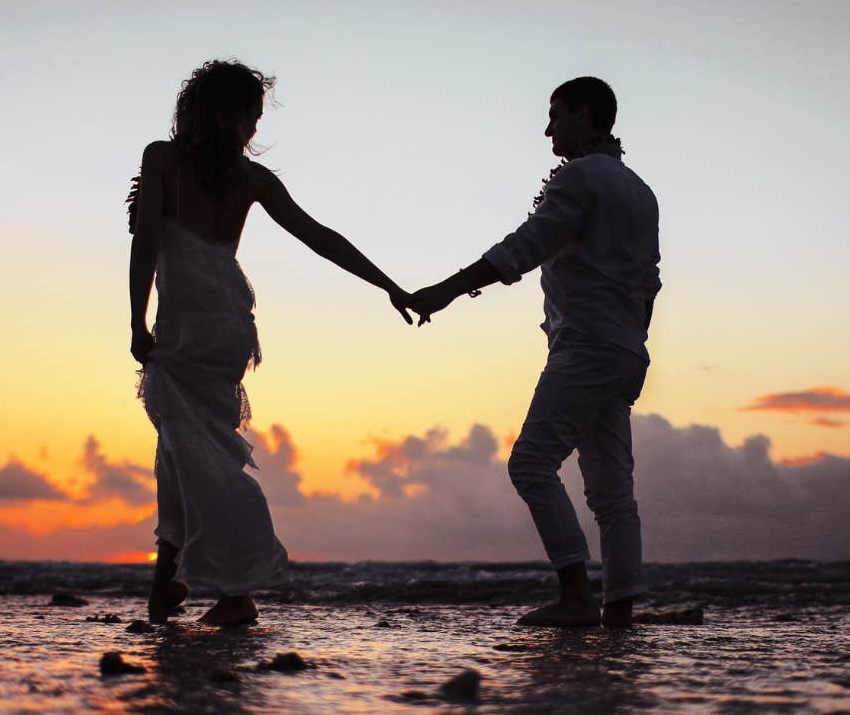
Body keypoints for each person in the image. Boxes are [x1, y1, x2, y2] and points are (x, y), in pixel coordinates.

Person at [127, 60, 414, 625]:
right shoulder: (247, 179)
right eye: (250, 119)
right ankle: (167, 583)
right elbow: (321, 237)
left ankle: (235, 591)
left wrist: (135, 322)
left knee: (197, 454)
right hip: (224, 323)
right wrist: (391, 286)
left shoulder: (165, 158)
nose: (254, 132)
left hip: (193, 327)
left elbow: (145, 245)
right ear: (227, 117)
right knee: (181, 451)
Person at [408, 77, 661, 627]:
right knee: (613, 490)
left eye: (556, 115)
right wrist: (629, 339)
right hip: (624, 353)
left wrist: (442, 293)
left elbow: (523, 248)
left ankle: (575, 593)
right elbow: (650, 283)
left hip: (588, 348)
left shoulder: (580, 179)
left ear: (586, 116)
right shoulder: (640, 190)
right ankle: (620, 608)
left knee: (530, 464)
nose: (548, 128)